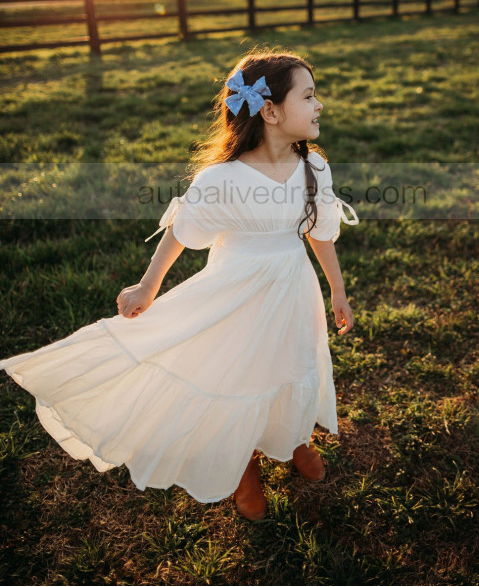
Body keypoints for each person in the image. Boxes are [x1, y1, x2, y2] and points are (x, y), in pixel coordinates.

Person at [0, 49, 359, 522]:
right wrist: (148, 288)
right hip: (237, 297)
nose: (320, 106)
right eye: (309, 96)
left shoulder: (315, 169)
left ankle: (294, 441)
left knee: (294, 362)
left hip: (293, 288)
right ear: (270, 112)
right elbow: (180, 232)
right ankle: (244, 466)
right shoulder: (223, 178)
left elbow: (319, 230)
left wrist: (337, 289)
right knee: (243, 376)